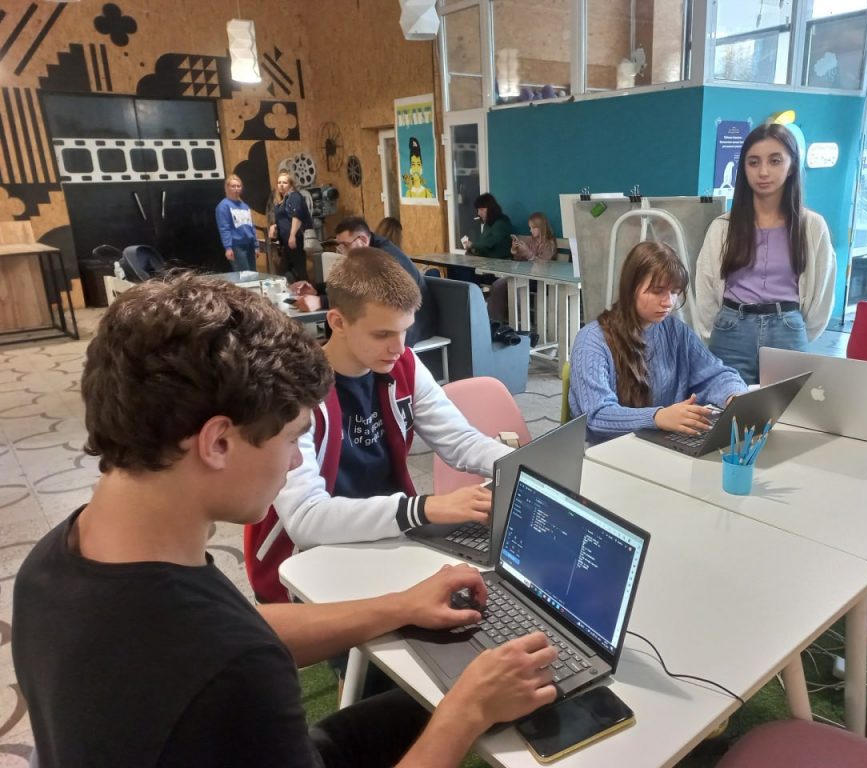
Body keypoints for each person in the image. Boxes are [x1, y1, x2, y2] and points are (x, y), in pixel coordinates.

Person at [11, 273, 556, 768]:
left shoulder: (56, 562)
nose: (296, 461)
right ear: (218, 442)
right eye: (292, 438)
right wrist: (466, 714)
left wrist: (399, 606)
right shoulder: (232, 673)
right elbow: (233, 650)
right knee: (458, 708)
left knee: (419, 703)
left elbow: (239, 627)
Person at [246, 249, 511, 604]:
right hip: (309, 560)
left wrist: (520, 466)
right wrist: (424, 508)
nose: (398, 347)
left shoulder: (403, 364)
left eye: (405, 330)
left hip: (390, 534)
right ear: (338, 322)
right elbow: (307, 520)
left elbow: (460, 441)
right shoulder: (295, 390)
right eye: (382, 334)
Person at [694, 123, 836, 384]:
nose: (763, 172)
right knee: (728, 405)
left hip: (787, 331)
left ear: (792, 165)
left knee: (786, 407)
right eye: (753, 162)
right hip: (731, 332)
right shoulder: (723, 227)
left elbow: (822, 294)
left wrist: (797, 329)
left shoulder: (812, 227)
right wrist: (713, 331)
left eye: (775, 160)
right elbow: (705, 290)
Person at [569, 241, 748, 444]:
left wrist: (733, 396)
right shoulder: (592, 341)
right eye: (657, 291)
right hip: (608, 450)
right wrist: (658, 417)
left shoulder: (675, 331)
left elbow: (715, 375)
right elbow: (597, 415)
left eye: (674, 292)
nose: (668, 302)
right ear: (631, 288)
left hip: (661, 443)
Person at [333, 216, 437, 347]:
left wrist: (321, 301)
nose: (343, 252)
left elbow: (370, 295)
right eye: (340, 246)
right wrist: (317, 291)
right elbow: (351, 284)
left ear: (363, 240)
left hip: (413, 323)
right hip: (396, 316)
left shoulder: (386, 259)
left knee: (353, 329)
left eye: (346, 245)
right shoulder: (367, 253)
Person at [487, 211, 557, 323]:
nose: (530, 230)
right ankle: (494, 321)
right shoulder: (530, 241)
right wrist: (515, 250)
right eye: (530, 228)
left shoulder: (549, 244)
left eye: (533, 228)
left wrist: (528, 253)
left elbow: (543, 264)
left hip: (538, 278)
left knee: (516, 288)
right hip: (523, 274)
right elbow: (520, 260)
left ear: (541, 228)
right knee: (497, 285)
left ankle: (519, 322)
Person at [269, 170, 311, 283]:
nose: (281, 185)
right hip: (285, 242)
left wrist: (292, 235)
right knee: (285, 272)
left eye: (285, 182)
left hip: (295, 239)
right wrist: (274, 226)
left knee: (299, 271)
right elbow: (281, 218)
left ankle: (309, 291)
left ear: (291, 185)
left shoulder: (294, 196)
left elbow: (297, 216)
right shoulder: (282, 201)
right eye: (279, 183)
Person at [215, 174, 258, 271]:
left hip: (250, 245)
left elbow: (251, 226)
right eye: (233, 186)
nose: (236, 189)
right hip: (237, 246)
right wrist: (228, 248)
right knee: (244, 274)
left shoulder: (245, 206)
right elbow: (224, 228)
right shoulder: (223, 206)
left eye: (239, 186)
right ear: (227, 188)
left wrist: (256, 245)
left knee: (253, 273)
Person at [461, 193, 513, 260]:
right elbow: (483, 242)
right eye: (478, 210)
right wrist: (473, 248)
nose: (479, 213)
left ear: (491, 209)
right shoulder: (488, 223)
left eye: (482, 209)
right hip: (487, 259)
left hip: (501, 261)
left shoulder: (502, 222)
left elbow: (489, 244)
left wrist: (472, 245)